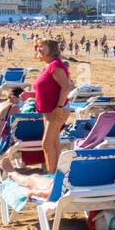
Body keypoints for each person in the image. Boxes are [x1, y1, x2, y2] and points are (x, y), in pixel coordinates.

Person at [33, 39, 72, 173]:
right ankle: (56, 174)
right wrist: (30, 95)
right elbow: (48, 87)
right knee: (54, 143)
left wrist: (59, 107)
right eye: (38, 46)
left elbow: (66, 86)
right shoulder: (49, 65)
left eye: (42, 47)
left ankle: (52, 175)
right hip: (49, 111)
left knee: (47, 144)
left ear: (51, 50)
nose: (38, 49)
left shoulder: (55, 65)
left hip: (56, 110)